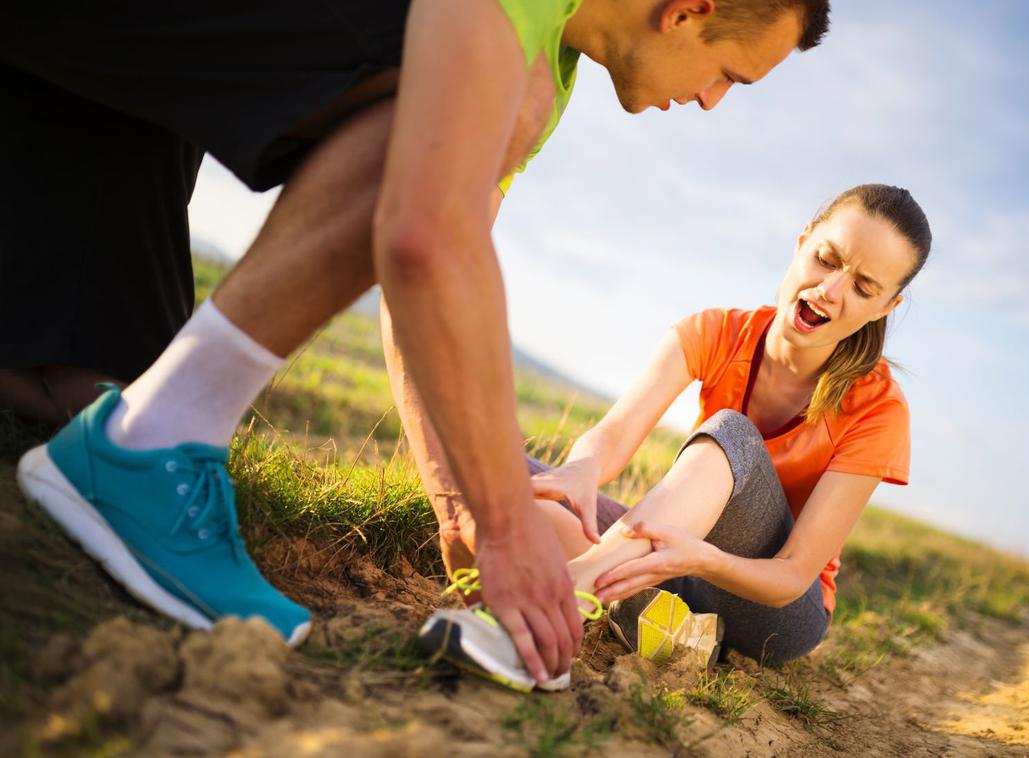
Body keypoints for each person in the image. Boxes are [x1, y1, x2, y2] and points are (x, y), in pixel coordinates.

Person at [7, 0, 830, 690]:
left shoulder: (551, 63)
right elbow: (425, 237)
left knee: (85, 380)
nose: (715, 101)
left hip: (86, 80)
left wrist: (466, 497)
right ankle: (153, 444)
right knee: (447, 107)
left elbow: (435, 278)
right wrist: (503, 529)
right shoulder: (519, 59)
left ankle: (136, 428)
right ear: (688, 11)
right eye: (730, 74)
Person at [418, 183, 931, 684]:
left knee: (732, 432)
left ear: (887, 307)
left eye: (864, 288)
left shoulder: (880, 408)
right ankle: (662, 623)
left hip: (772, 611)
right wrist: (582, 469)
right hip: (673, 560)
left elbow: (792, 577)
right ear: (802, 243)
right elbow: (615, 435)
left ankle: (556, 610)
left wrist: (702, 558)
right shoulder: (714, 331)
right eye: (826, 259)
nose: (831, 290)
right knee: (495, 478)